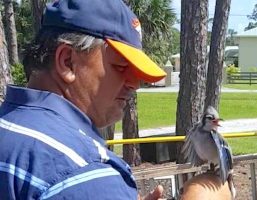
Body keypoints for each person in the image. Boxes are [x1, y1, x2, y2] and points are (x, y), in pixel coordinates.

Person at [0, 0, 233, 199]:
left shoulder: (10, 127)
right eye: (121, 67)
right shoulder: (81, 171)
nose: (134, 84)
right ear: (67, 62)